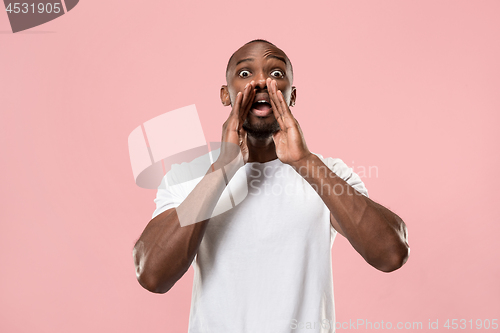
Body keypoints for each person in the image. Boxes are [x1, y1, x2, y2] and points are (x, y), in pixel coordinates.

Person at [132, 39, 410, 333]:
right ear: (226, 95)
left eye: (276, 74)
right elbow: (152, 274)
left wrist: (304, 161)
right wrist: (222, 170)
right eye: (245, 74)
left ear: (292, 95)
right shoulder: (188, 175)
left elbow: (391, 253)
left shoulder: (328, 173)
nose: (262, 81)